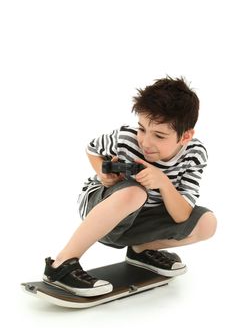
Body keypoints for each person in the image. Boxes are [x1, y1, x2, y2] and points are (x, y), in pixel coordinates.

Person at [43, 76, 217, 297]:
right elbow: (92, 148)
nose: (145, 142)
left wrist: (163, 183)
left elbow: (182, 215)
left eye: (159, 135)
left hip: (142, 221)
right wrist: (102, 174)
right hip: (103, 209)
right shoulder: (126, 138)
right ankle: (61, 265)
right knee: (135, 192)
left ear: (186, 136)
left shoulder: (195, 155)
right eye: (142, 129)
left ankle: (142, 249)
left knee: (207, 223)